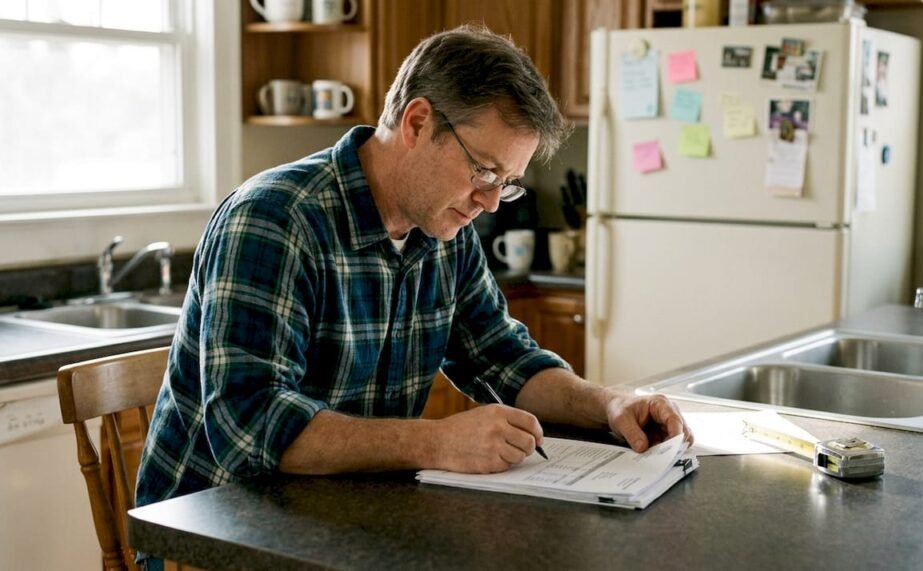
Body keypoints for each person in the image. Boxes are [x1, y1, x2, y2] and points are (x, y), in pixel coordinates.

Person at [135, 25, 692, 513]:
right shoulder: (276, 220)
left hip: (343, 512)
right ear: (418, 122)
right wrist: (435, 442)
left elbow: (504, 358)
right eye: (485, 171)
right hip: (213, 527)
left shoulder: (444, 230)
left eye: (506, 182)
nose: (492, 201)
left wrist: (610, 403)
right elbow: (248, 426)